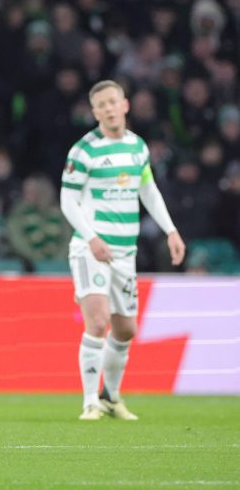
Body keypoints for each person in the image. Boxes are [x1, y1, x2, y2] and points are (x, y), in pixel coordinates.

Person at [60, 80, 185, 421]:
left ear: (125, 105)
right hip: (91, 248)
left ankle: (111, 397)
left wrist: (171, 230)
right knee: (98, 321)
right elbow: (68, 201)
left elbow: (148, 190)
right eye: (102, 105)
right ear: (95, 112)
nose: (109, 109)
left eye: (113, 102)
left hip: (124, 252)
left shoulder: (137, 147)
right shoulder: (84, 151)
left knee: (126, 329)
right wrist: (91, 238)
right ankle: (89, 402)